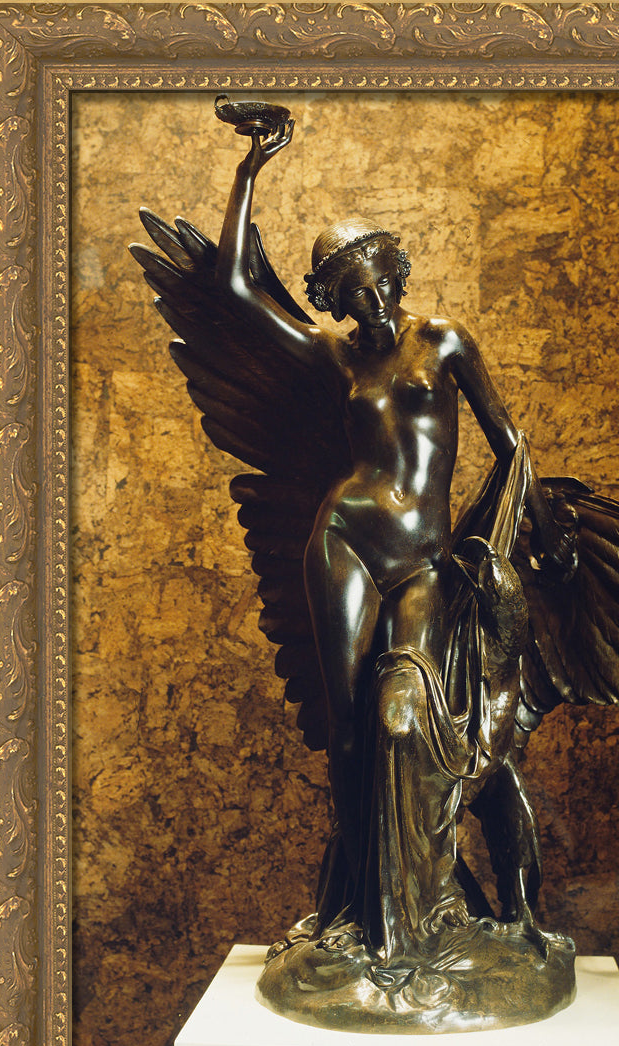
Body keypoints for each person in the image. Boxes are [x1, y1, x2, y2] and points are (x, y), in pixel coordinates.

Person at [214, 123, 574, 921]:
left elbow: (507, 438)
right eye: (349, 294)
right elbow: (235, 289)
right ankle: (367, 906)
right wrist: (250, 166)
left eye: (376, 283)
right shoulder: (338, 357)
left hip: (423, 561)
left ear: (395, 273)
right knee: (347, 725)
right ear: (332, 302)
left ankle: (429, 886)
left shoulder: (441, 340)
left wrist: (545, 528)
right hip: (344, 540)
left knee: (403, 713)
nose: (370, 302)